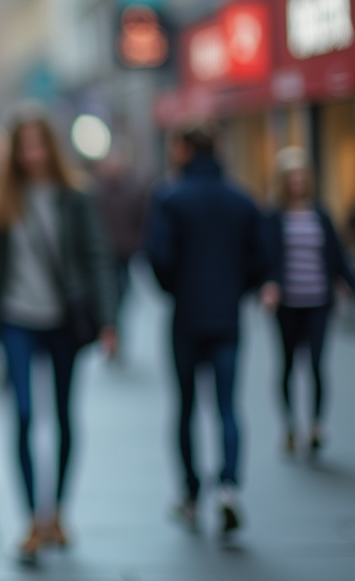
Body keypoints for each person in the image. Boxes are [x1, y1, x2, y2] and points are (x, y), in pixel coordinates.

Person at [0, 107, 116, 564]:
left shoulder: (75, 197)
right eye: (24, 146)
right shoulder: (2, 200)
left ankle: (57, 510)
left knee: (62, 415)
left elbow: (98, 257)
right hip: (17, 320)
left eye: (39, 144)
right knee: (21, 414)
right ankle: (30, 522)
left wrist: (109, 319)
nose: (32, 154)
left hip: (64, 322)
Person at [145, 122, 267, 538]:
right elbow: (261, 258)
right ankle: (229, 485)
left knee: (185, 408)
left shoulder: (170, 199)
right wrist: (236, 288)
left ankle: (190, 492)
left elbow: (158, 258)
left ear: (181, 150)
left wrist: (178, 288)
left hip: (186, 317)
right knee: (228, 407)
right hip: (227, 316)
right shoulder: (241, 200)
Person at [261, 147, 355, 457]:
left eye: (302, 176)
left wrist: (348, 286)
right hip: (287, 303)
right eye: (292, 177)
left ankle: (315, 424)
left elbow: (337, 260)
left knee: (316, 363)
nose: (298, 182)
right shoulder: (274, 217)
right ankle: (289, 426)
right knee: (288, 364)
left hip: (318, 300)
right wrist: (269, 284)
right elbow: (265, 258)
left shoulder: (320, 214)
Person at [93, 151, 148, 353]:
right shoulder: (97, 191)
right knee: (109, 294)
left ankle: (115, 329)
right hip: (104, 254)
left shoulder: (134, 190)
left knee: (122, 294)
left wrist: (136, 244)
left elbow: (142, 220)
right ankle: (110, 331)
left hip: (125, 253)